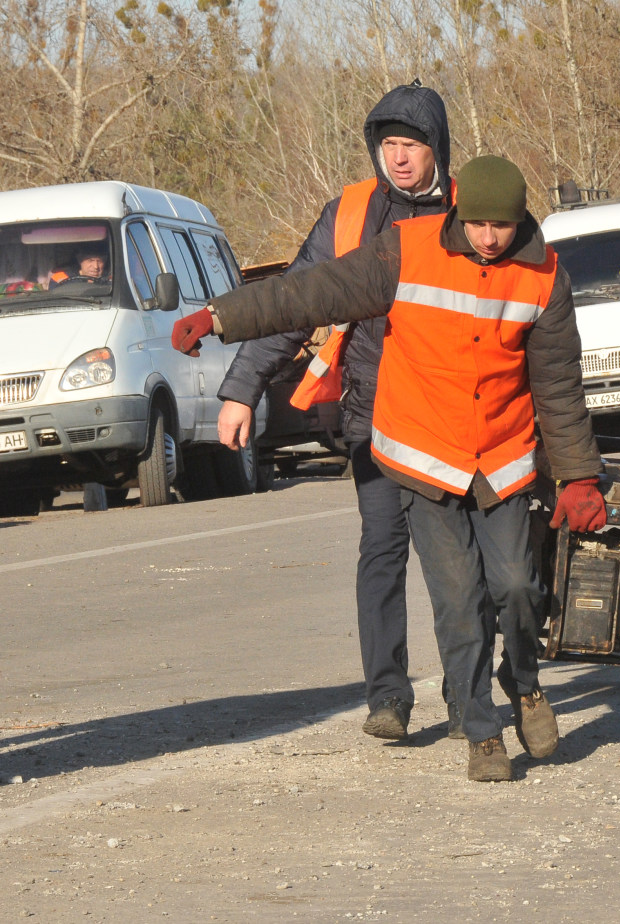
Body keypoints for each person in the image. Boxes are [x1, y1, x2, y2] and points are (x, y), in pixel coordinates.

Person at [172, 155, 606, 782]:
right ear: (460, 215)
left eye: (501, 227)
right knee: (458, 601)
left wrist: (579, 476)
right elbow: (309, 293)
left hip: (503, 457)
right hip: (424, 453)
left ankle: (526, 682)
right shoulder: (404, 251)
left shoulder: (544, 276)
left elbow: (559, 387)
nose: (488, 238)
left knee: (516, 586)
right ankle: (482, 732)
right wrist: (220, 317)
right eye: (478, 224)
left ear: (521, 223)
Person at [214, 81, 458, 743]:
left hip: (454, 422)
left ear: (437, 146)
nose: (399, 158)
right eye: (388, 145)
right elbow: (295, 301)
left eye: (411, 144)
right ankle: (388, 698)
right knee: (381, 549)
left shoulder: (475, 214)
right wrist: (242, 389)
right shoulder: (349, 212)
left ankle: (469, 697)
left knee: (457, 562)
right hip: (374, 411)